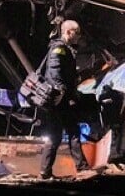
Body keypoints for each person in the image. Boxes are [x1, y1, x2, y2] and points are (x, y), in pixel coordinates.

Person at [37, 19, 91, 179]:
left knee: (56, 136)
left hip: (59, 100)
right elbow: (55, 73)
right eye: (77, 32)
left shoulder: (63, 49)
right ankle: (82, 168)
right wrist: (64, 93)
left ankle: (45, 171)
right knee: (72, 132)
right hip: (59, 100)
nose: (79, 36)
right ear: (68, 32)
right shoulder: (59, 49)